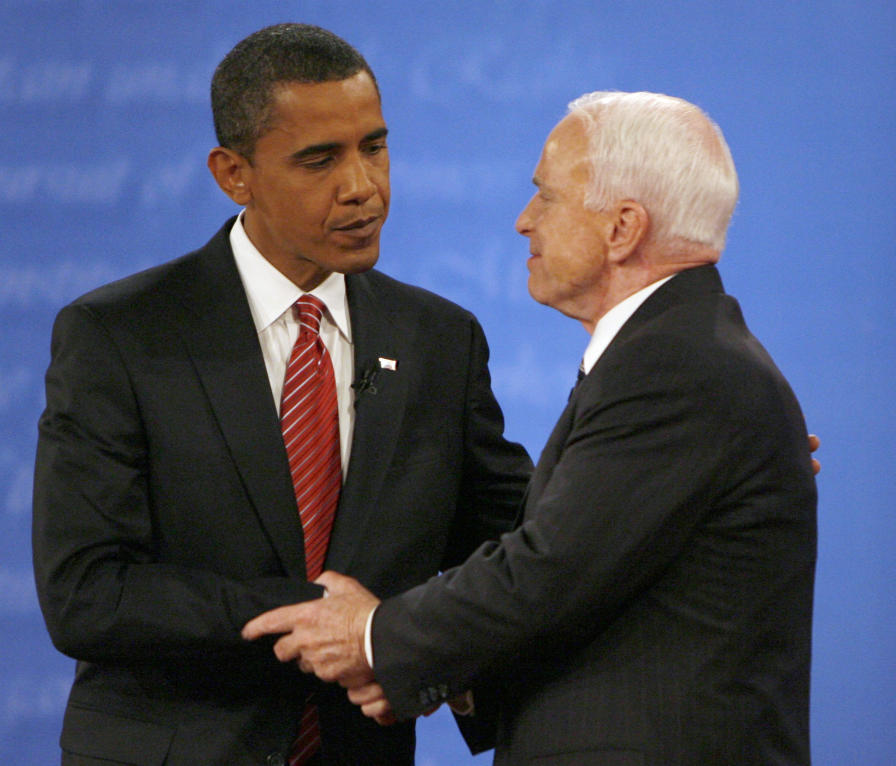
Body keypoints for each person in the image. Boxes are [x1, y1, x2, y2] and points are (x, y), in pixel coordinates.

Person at [244, 91, 819, 765]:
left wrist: (374, 635)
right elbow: (592, 578)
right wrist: (445, 670)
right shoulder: (681, 356)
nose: (524, 221)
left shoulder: (677, 365)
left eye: (546, 197)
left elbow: (549, 569)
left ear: (622, 228)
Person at [31, 24, 532, 766]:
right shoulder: (121, 335)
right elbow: (87, 593)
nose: (362, 186)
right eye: (319, 160)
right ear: (234, 174)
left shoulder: (439, 341)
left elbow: (509, 552)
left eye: (374, 146)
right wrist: (319, 620)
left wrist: (420, 660)